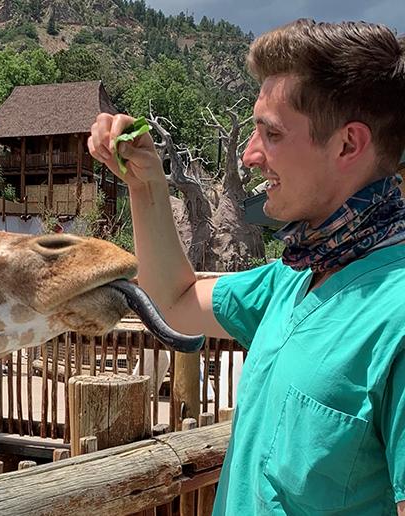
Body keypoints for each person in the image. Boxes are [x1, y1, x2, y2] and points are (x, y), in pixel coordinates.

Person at [89, 19, 405, 515]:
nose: (250, 154)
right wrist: (147, 182)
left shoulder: (397, 318)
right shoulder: (294, 278)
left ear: (348, 145)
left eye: (271, 134)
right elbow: (173, 302)